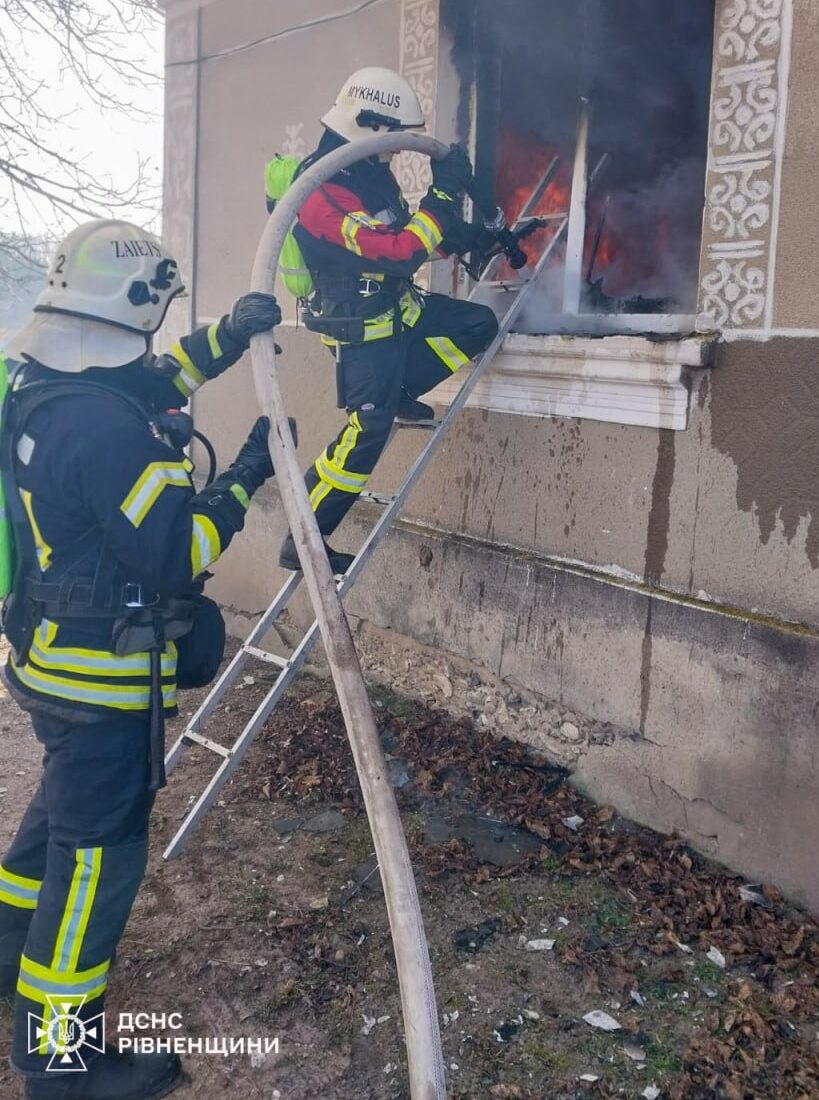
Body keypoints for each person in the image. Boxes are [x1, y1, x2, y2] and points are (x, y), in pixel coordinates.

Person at [0, 218, 284, 1100]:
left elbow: (156, 372)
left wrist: (230, 338)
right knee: (96, 863)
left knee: (55, 825)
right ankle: (58, 1059)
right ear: (132, 309)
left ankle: (9, 947)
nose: (163, 338)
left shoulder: (41, 383)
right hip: (105, 683)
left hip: (52, 663)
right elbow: (178, 549)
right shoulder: (108, 433)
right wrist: (243, 476)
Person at [270, 66, 499, 572]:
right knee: (366, 435)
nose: (397, 151)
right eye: (392, 139)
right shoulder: (322, 192)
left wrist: (468, 237)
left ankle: (399, 388)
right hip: (363, 331)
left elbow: (404, 239)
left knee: (477, 324)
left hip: (399, 311)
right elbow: (395, 253)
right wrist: (441, 195)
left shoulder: (369, 175)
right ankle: (304, 539)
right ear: (368, 125)